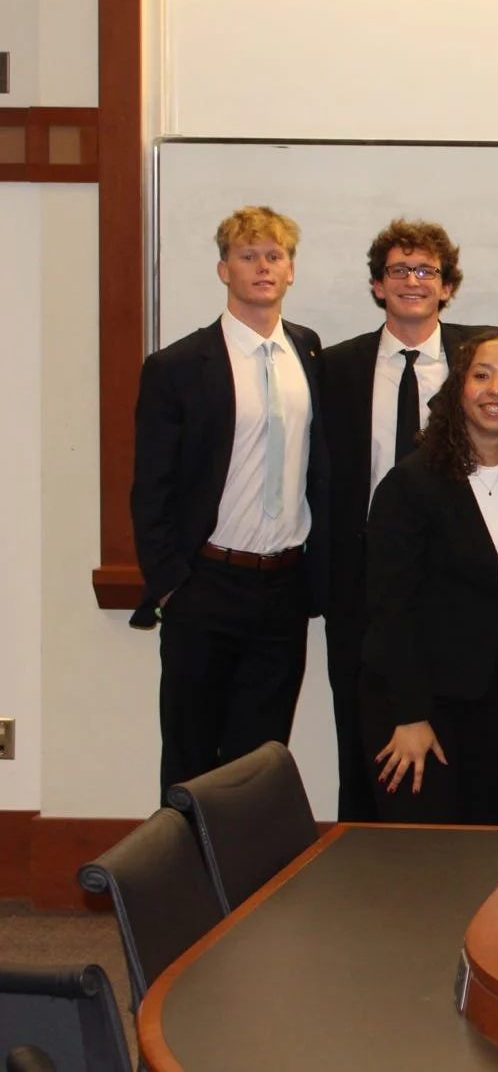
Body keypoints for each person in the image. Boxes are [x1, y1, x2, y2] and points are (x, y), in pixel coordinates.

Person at [132, 206, 326, 793]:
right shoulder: (179, 366)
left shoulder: (309, 353)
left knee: (261, 760)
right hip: (206, 583)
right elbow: (151, 486)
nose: (263, 267)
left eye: (274, 256)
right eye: (248, 256)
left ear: (291, 270)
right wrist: (172, 584)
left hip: (283, 588)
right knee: (192, 752)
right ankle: (183, 881)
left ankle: (249, 885)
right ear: (224, 270)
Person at [320, 218, 481, 821]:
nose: (413, 281)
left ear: (447, 287)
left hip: (448, 585)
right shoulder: (335, 366)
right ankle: (361, 873)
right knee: (358, 738)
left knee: (443, 739)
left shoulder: (478, 359)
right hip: (359, 582)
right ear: (376, 286)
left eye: (426, 272)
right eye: (398, 271)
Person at [359, 330, 498, 825]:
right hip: (422, 710)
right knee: (428, 867)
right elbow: (389, 608)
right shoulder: (412, 482)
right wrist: (410, 714)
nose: (495, 390)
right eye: (481, 376)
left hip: (497, 706)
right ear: (457, 389)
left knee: (486, 856)